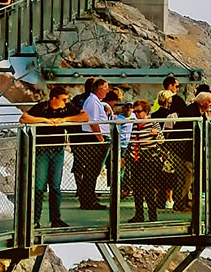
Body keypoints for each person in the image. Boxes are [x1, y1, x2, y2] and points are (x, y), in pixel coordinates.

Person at [20, 85, 87, 228]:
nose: (66, 101)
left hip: (57, 150)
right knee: (39, 186)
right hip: (41, 151)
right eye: (63, 99)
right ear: (54, 99)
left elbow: (84, 117)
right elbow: (24, 118)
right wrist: (44, 120)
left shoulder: (66, 108)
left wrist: (64, 119)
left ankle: (55, 219)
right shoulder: (42, 107)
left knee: (55, 187)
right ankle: (35, 220)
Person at [70, 78, 114, 211]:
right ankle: (88, 200)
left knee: (93, 171)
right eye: (105, 88)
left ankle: (89, 198)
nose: (107, 91)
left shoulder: (95, 102)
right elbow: (93, 122)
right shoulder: (93, 102)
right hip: (94, 140)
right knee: (91, 171)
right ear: (99, 89)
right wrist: (100, 139)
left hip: (96, 138)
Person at [124, 100, 167, 223]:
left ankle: (152, 216)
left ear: (146, 111)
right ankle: (139, 215)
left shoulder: (153, 123)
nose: (136, 114)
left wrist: (156, 134)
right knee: (137, 188)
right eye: (135, 111)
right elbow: (132, 141)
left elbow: (161, 140)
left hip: (149, 159)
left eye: (139, 111)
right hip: (136, 158)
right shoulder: (135, 124)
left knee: (148, 188)